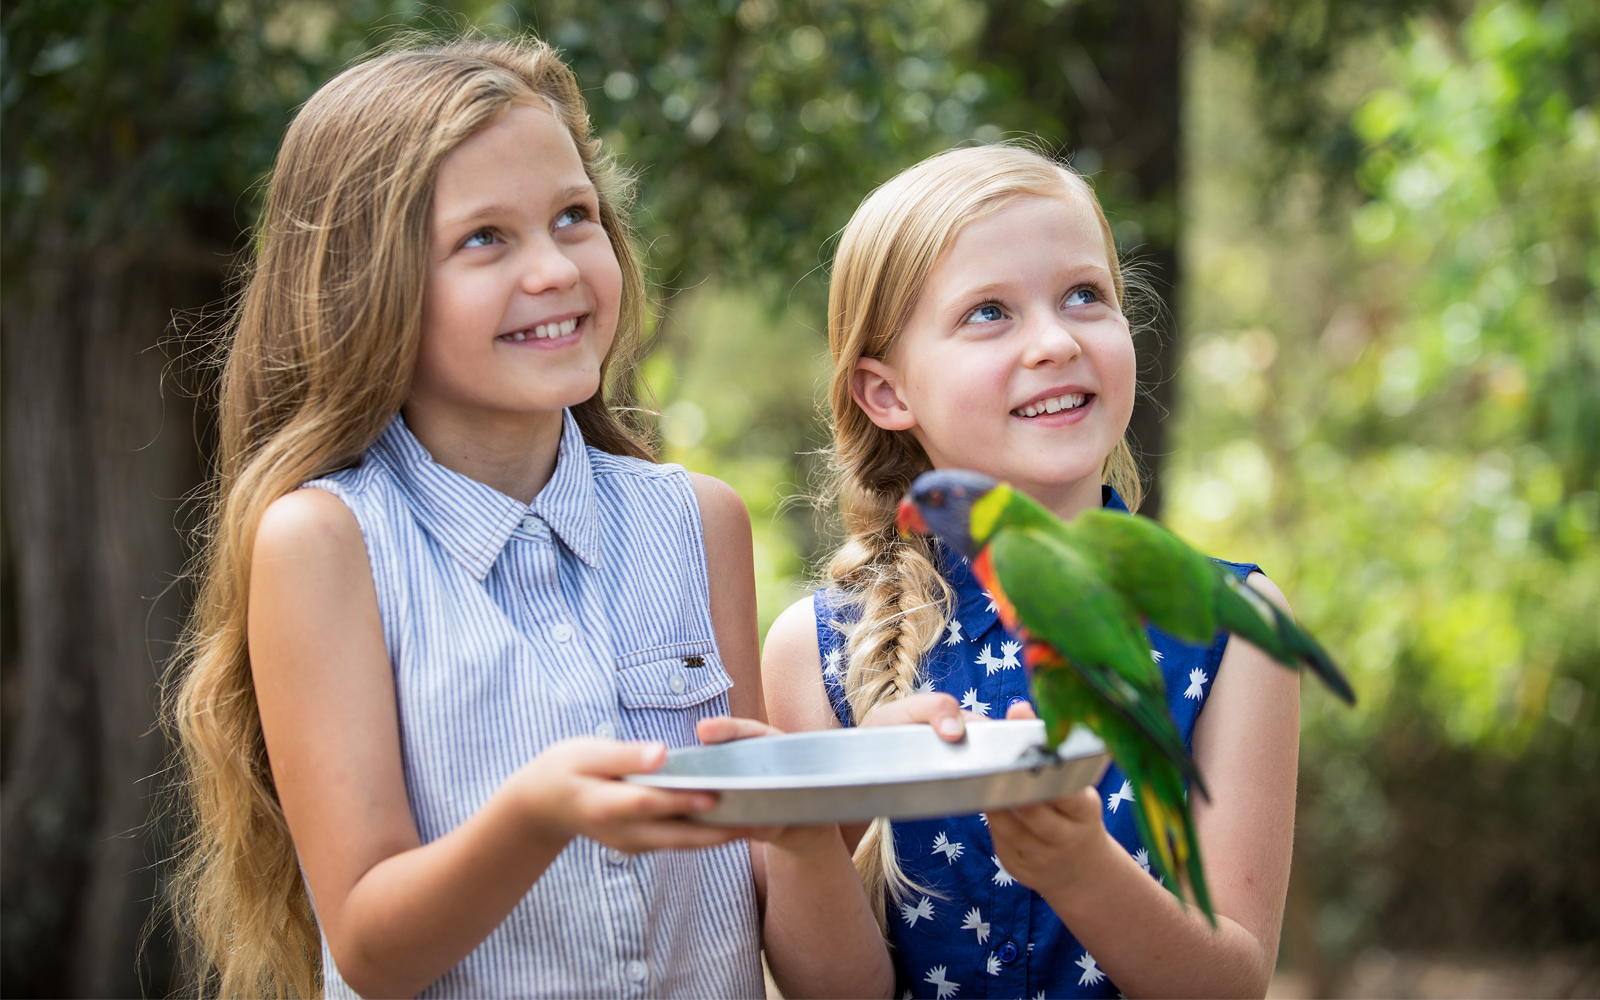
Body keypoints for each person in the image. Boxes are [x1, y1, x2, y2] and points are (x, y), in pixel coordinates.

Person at [167, 37, 888, 999]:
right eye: (484, 238)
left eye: (572, 217)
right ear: (366, 284)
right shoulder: (326, 543)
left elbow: (831, 981)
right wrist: (536, 818)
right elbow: (371, 948)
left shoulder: (694, 525)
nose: (553, 268)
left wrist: (805, 823)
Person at [762, 144, 1303, 998]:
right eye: (988, 313)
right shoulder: (818, 649)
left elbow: (1231, 983)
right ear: (886, 392)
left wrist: (1082, 868)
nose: (1054, 341)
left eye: (1084, 295)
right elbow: (835, 990)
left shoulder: (1229, 624)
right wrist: (807, 823)